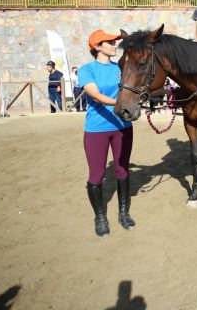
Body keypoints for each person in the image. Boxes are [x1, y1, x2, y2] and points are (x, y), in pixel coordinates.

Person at [80, 29, 135, 237]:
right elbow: (95, 95)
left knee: (122, 171)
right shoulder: (87, 70)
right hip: (97, 129)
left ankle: (123, 213)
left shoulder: (121, 68)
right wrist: (122, 103)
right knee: (97, 175)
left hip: (123, 127)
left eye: (114, 41)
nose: (114, 45)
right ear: (97, 47)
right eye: (110, 42)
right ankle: (100, 217)